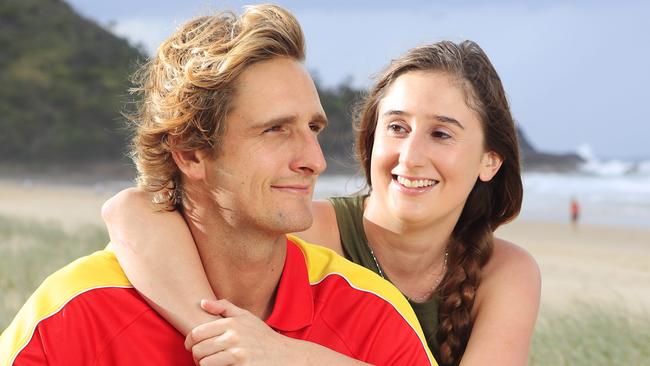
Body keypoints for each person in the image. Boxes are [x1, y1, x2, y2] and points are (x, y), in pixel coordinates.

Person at [0, 5, 435, 366]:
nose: (314, 161)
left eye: (313, 128)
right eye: (275, 130)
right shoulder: (76, 313)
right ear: (191, 153)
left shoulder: (371, 314)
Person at [102, 40, 541, 365]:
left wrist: (286, 355)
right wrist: (218, 336)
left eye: (441, 134)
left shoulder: (504, 272)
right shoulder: (305, 227)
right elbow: (130, 211)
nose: (410, 156)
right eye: (396, 128)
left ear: (490, 160)